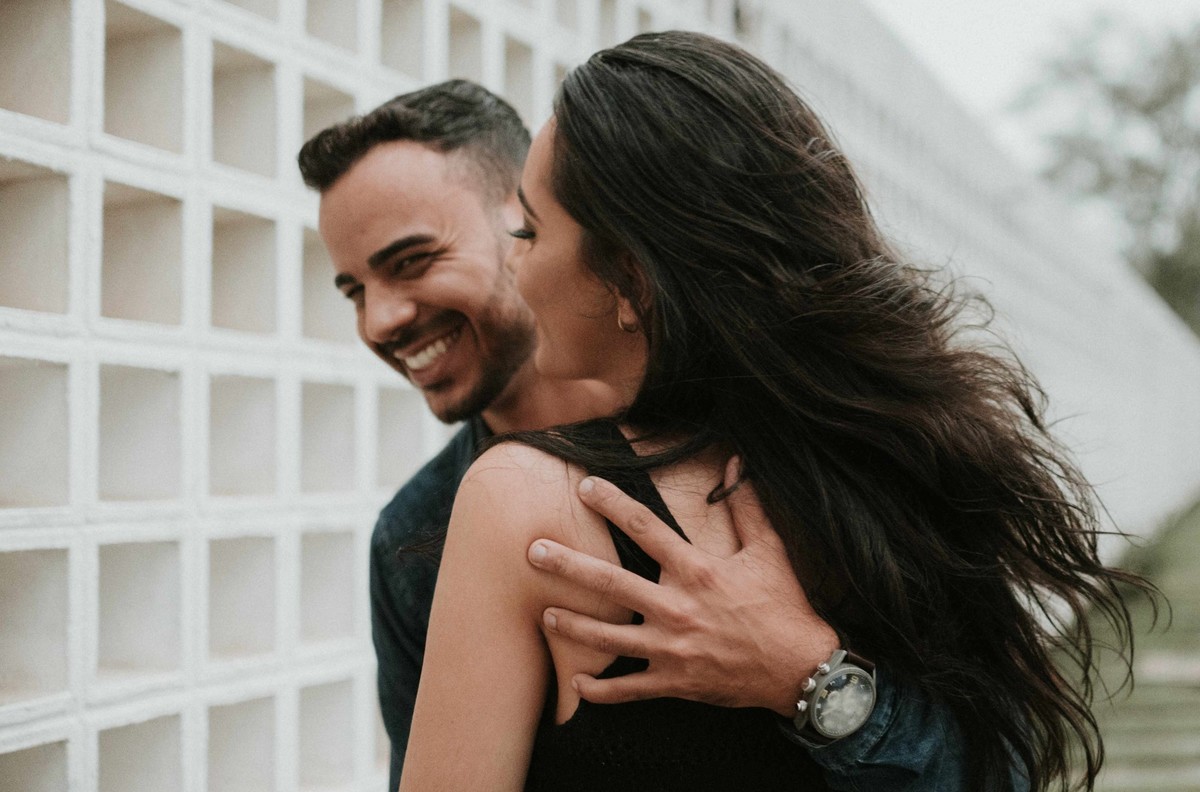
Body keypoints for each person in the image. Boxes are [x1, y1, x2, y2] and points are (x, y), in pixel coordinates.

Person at [398, 33, 1149, 791]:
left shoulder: (527, 506)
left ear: (631, 278)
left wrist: (807, 674)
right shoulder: (900, 454)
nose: (515, 264)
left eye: (531, 231)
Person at [299, 81, 976, 791]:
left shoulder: (800, 447)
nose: (379, 322)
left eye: (411, 261)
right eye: (354, 290)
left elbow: (999, 764)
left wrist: (811, 677)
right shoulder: (413, 537)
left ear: (522, 221)